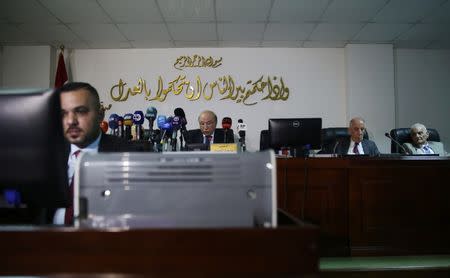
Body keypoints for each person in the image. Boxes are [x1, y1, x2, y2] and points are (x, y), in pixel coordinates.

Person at [53, 82, 141, 225]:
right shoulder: (47, 155)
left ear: (100, 115)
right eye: (63, 114)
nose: (71, 121)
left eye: (80, 111)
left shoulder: (128, 154)